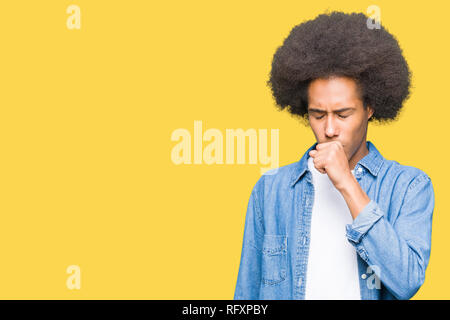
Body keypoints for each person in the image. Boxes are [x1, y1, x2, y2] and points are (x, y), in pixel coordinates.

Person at [233, 11, 435, 300]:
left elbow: (406, 282)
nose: (329, 129)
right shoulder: (270, 189)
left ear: (370, 108)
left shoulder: (409, 186)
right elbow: (247, 294)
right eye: (318, 115)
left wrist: (348, 184)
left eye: (343, 114)